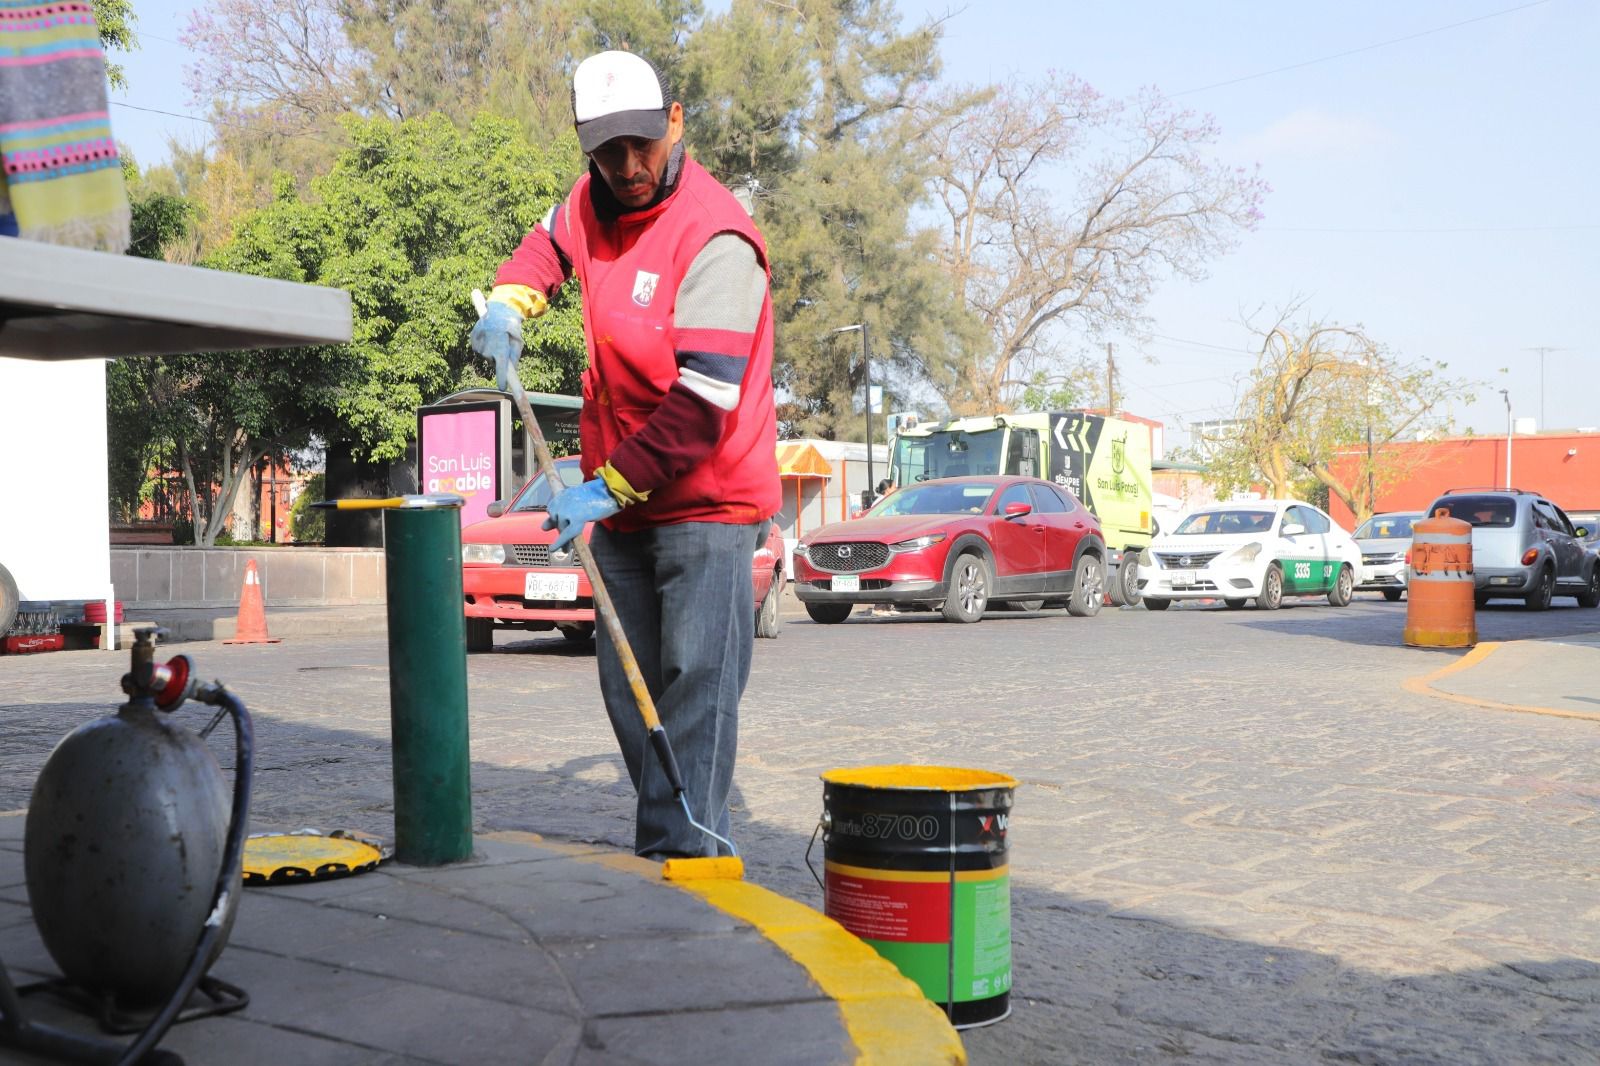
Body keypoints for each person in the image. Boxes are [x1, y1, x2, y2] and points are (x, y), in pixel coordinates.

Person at [469, 50, 780, 860]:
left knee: (696, 691)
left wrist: (605, 489)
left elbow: (701, 410)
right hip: (624, 501)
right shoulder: (590, 201)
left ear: (674, 121)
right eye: (608, 152)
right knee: (627, 685)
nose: (629, 167)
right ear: (587, 149)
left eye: (642, 145)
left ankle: (689, 860)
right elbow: (546, 244)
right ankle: (672, 838)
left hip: (706, 501)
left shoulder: (717, 238)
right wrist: (510, 304)